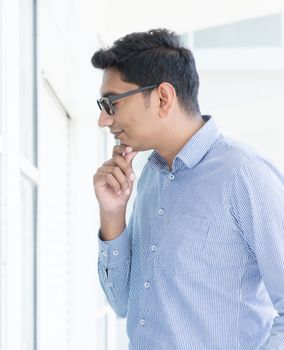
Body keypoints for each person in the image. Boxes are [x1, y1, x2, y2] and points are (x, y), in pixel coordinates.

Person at [92, 28, 284, 349]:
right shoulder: (150, 177)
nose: (103, 120)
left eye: (111, 103)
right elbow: (122, 303)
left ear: (163, 98)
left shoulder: (245, 174)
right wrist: (112, 214)